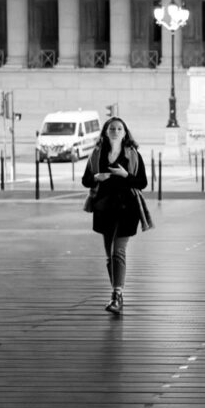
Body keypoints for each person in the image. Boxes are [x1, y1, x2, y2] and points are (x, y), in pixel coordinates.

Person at [82, 117, 149, 316]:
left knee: (118, 251)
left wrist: (125, 175)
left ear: (125, 133)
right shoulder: (97, 154)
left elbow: (142, 182)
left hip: (127, 208)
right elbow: (85, 180)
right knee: (109, 256)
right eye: (112, 128)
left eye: (120, 128)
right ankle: (117, 293)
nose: (116, 131)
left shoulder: (133, 155)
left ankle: (116, 294)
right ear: (105, 132)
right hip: (104, 208)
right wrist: (96, 177)